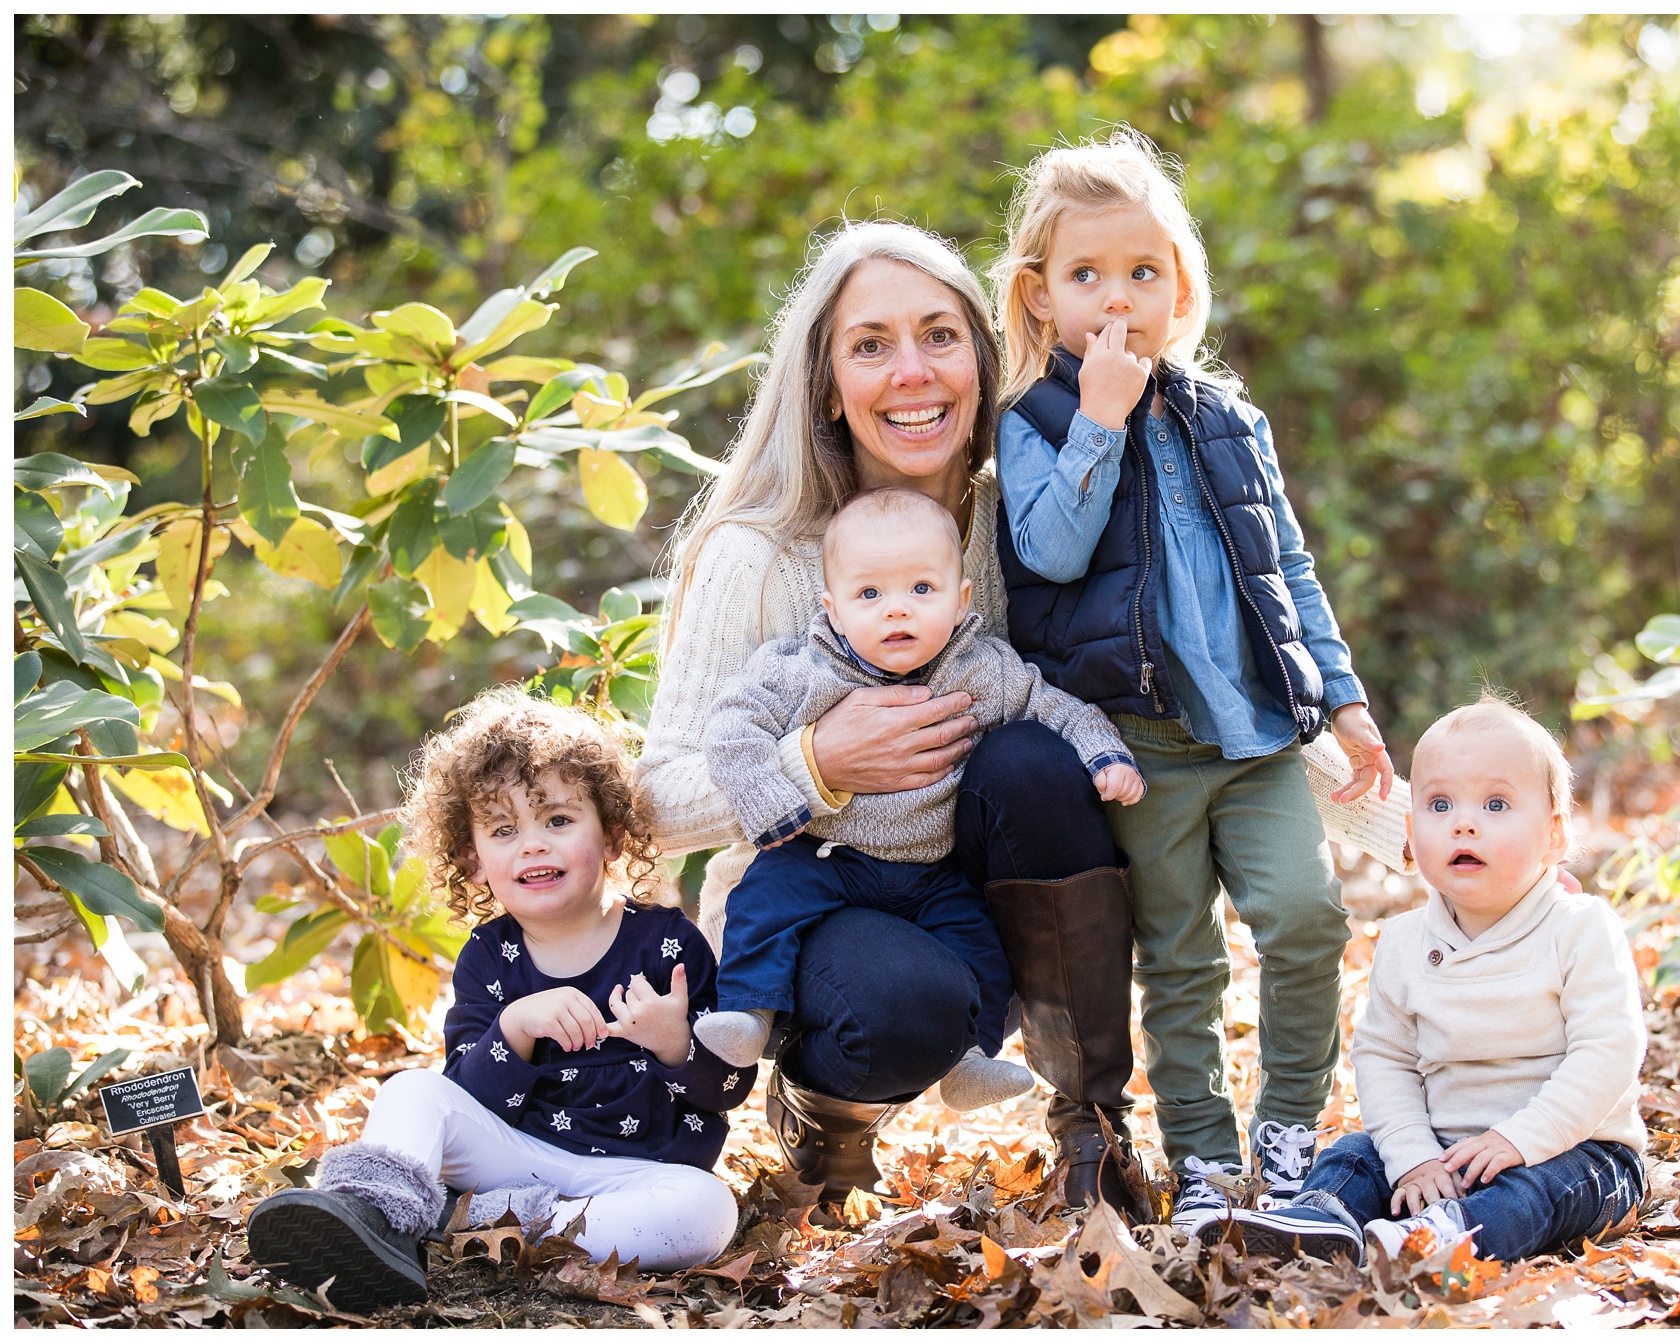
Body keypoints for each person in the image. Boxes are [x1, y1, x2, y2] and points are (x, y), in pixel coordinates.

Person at [639, 220, 1149, 1217]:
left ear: (981, 360)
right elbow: (651, 803)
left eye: (939, 336)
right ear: (828, 382)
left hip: (967, 887)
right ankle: (829, 1103)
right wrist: (816, 760)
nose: (910, 371)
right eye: (870, 344)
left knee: (1037, 759)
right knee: (895, 1004)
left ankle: (1090, 1127)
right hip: (820, 896)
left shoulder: (1023, 522)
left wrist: (1369, 791)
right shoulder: (759, 553)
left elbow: (1176, 691)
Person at [990, 129, 1395, 1229]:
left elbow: (1286, 567)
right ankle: (1207, 1161)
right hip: (1146, 745)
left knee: (1306, 916)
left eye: (1141, 271)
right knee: (1178, 956)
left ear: (1179, 284)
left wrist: (1343, 698)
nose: (1115, 297)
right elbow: (1053, 554)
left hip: (1258, 735)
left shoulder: (1229, 418)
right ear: (1039, 298)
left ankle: (1289, 1127)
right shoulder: (1033, 425)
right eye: (1085, 276)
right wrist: (1100, 424)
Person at [246, 690, 746, 1312]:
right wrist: (513, 1029)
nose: (532, 846)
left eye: (558, 821)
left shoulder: (668, 941)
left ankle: (485, 1229)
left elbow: (729, 1090)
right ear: (473, 860)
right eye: (504, 830)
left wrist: (676, 1044)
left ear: (613, 837)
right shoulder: (489, 955)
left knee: (707, 1211)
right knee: (412, 1091)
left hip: (642, 1173)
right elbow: (469, 1099)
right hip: (518, 1159)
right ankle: (371, 1219)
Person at [695, 486, 1145, 1115]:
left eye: (922, 591)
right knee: (766, 898)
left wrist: (1106, 755)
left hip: (933, 870)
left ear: (962, 602)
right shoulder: (801, 669)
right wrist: (782, 786)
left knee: (981, 944)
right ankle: (747, 1012)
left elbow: (1056, 708)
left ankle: (972, 1057)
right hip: (831, 851)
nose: (896, 612)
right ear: (832, 607)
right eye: (870, 595)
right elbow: (730, 729)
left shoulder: (982, 669)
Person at [1191, 697, 1648, 1266]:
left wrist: (1519, 1141)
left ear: (1554, 835)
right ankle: (1317, 1223)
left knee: (1536, 1194)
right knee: (1355, 1155)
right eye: (1438, 804)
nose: (1464, 821)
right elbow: (1385, 1059)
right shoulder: (1407, 942)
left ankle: (1442, 1239)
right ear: (1410, 830)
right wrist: (1414, 1157)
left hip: (1574, 1148)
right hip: (1443, 1148)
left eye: (1497, 803)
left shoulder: (1579, 928)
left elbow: (1607, 1053)